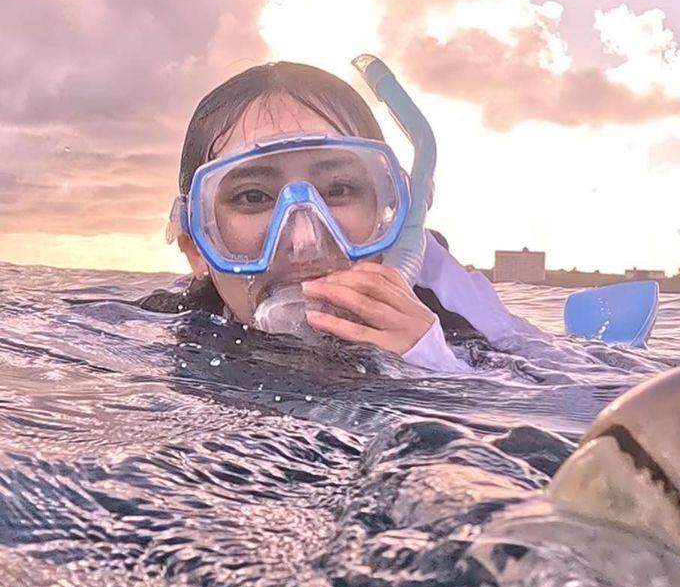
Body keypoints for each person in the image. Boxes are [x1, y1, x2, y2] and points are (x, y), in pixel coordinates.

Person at [149, 59, 554, 374]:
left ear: (391, 213)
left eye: (339, 190)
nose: (305, 240)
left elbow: (568, 395)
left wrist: (433, 367)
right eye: (253, 196)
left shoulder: (458, 319)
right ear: (196, 247)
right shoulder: (149, 337)